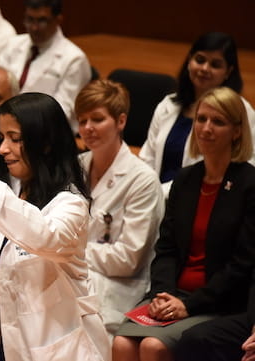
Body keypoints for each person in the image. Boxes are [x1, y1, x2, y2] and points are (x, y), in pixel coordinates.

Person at [0, 93, 110, 361]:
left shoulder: (71, 204)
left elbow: (46, 238)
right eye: (1, 138)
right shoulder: (5, 195)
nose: (2, 149)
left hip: (54, 343)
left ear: (44, 143)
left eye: (15, 138)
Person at [113, 87, 255, 361]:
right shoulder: (186, 180)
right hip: (173, 295)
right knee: (121, 344)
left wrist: (188, 304)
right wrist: (161, 295)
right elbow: (165, 248)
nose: (206, 128)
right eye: (201, 119)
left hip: (216, 301)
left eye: (218, 121)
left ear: (236, 131)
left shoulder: (249, 184)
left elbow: (242, 265)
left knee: (152, 347)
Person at [75, 80, 165, 336]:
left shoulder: (142, 180)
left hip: (116, 290)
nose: (88, 128)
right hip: (77, 277)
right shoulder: (75, 167)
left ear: (121, 121)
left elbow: (128, 260)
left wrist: (70, 251)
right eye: (82, 121)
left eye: (97, 119)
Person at [139, 32, 255, 196]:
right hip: (153, 198)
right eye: (200, 60)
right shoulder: (168, 104)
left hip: (203, 199)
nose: (204, 69)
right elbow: (147, 158)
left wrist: (157, 194)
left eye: (215, 64)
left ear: (228, 72)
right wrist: (143, 191)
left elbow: (246, 164)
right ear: (189, 61)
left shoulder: (241, 110)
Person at [0, 0, 91, 130]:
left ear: (58, 20)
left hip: (46, 135)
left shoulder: (74, 60)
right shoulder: (12, 45)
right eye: (29, 20)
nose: (34, 28)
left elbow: (61, 113)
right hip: (5, 127)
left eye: (42, 21)